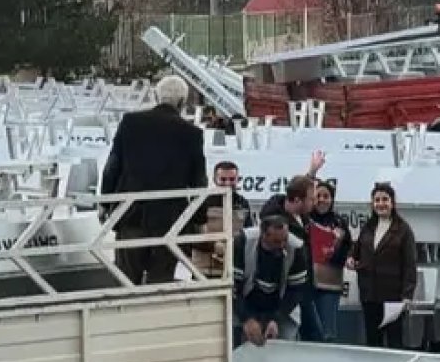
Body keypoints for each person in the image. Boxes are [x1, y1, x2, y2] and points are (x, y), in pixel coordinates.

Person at [100, 75, 208, 284]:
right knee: (161, 280)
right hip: (170, 220)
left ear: (157, 96)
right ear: (182, 102)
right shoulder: (192, 133)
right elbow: (198, 181)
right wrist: (199, 220)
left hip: (131, 215)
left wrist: (105, 204)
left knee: (126, 279)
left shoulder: (131, 123)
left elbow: (112, 166)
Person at [347, 183, 418, 349]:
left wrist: (407, 295)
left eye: (385, 199)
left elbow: (410, 264)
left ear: (392, 203)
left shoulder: (403, 230)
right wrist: (351, 258)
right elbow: (356, 250)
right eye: (377, 200)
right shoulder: (368, 227)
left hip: (393, 296)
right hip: (369, 294)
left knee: (394, 341)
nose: (381, 203)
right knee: (373, 341)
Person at [261, 174, 324, 342]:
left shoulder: (302, 217)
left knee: (314, 337)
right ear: (297, 200)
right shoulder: (275, 222)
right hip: (285, 290)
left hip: (303, 287)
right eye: (311, 199)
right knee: (307, 337)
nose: (314, 202)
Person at [232, 215, 308, 347]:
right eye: (276, 241)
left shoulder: (296, 247)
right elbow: (233, 288)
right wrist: (247, 319)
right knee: (244, 349)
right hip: (248, 300)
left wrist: (276, 319)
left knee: (283, 351)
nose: (282, 245)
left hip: (282, 306)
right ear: (263, 235)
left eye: (285, 239)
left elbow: (296, 291)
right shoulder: (243, 241)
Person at [191, 160, 255, 278]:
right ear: (215, 179)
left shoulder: (243, 203)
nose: (227, 183)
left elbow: (249, 233)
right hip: (203, 271)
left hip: (233, 269)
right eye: (223, 179)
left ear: (237, 179)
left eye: (231, 179)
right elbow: (190, 235)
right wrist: (214, 246)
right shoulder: (202, 202)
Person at [308, 180, 353, 341]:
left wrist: (334, 249)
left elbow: (348, 250)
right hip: (306, 286)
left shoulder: (340, 223)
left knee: (328, 334)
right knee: (308, 333)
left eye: (326, 196)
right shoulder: (304, 220)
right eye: (318, 195)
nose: (321, 199)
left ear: (332, 199)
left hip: (330, 286)